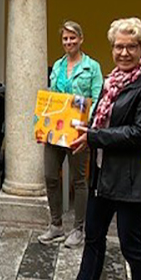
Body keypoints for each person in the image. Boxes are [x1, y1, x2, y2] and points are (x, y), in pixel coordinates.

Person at [51, 17, 141, 280]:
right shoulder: (112, 82)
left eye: (131, 46)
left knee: (131, 244)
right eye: (119, 46)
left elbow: (140, 134)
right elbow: (100, 121)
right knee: (93, 238)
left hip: (129, 179)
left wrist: (95, 136)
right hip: (101, 173)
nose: (124, 52)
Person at [38, 20, 103, 248]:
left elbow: (97, 98)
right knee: (50, 176)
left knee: (79, 180)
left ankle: (78, 229)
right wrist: (41, 125)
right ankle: (55, 225)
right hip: (55, 132)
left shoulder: (91, 67)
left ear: (81, 39)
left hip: (78, 133)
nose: (68, 42)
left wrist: (87, 124)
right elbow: (51, 97)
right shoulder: (57, 66)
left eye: (72, 38)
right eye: (65, 38)